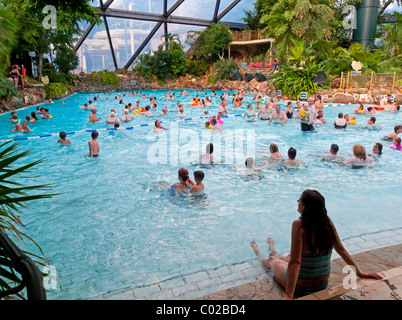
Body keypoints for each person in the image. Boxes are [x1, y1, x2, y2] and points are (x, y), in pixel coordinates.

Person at [250, 190, 383, 300]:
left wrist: (289, 295)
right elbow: (341, 249)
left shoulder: (298, 225)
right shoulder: (327, 223)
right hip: (321, 284)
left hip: (301, 286)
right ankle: (273, 250)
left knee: (273, 260)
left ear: (305, 206)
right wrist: (359, 273)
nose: (297, 201)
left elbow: (296, 263)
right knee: (289, 256)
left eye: (300, 200)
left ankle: (259, 253)